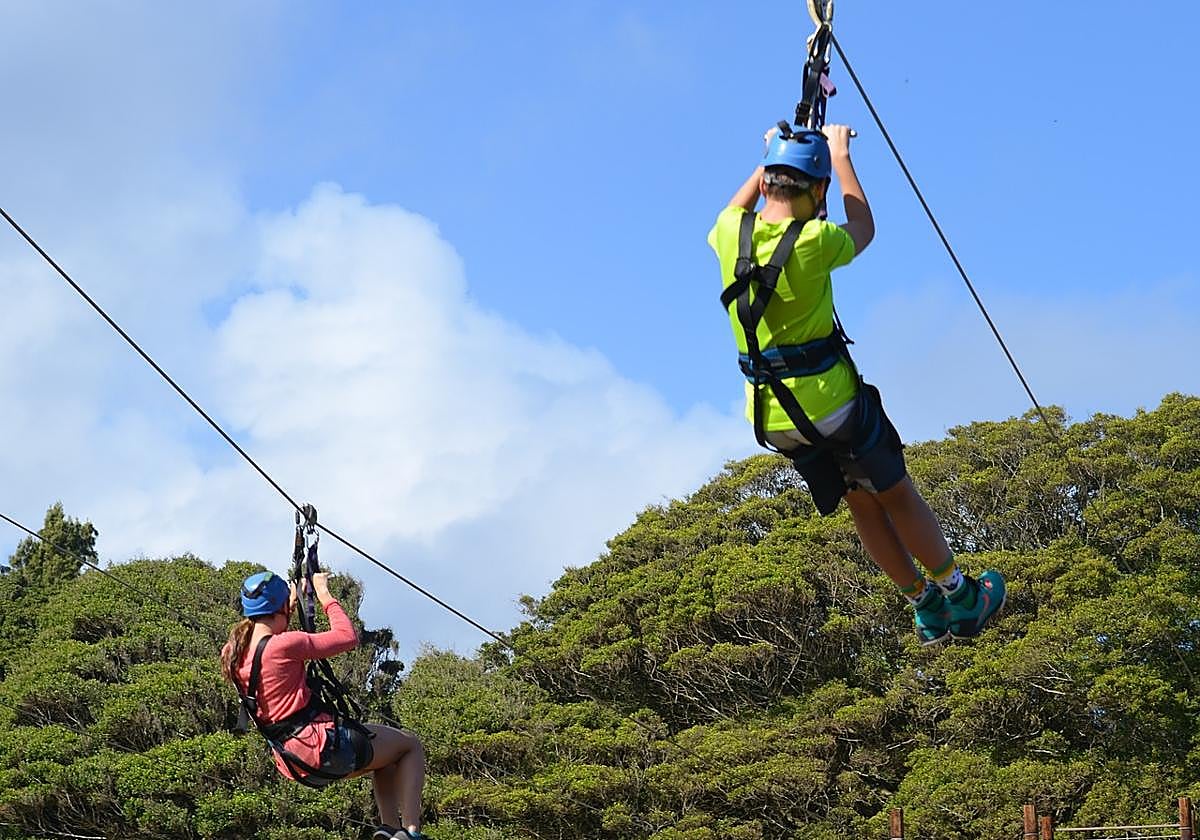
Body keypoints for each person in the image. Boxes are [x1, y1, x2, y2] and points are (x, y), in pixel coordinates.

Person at [707, 123, 1005, 644]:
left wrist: (773, 151)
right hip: (830, 405)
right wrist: (840, 155)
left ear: (768, 182)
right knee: (894, 492)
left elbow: (746, 196)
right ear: (816, 191)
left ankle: (922, 604)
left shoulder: (729, 231)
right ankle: (960, 593)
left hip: (772, 417)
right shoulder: (816, 242)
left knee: (858, 501)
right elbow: (863, 226)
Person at [221, 570, 428, 840]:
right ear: (282, 606)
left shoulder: (232, 652)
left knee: (385, 758)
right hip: (321, 746)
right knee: (409, 745)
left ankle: (390, 829)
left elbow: (268, 642)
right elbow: (346, 636)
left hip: (291, 761)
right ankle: (411, 832)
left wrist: (288, 605)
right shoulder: (285, 645)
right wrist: (324, 594)